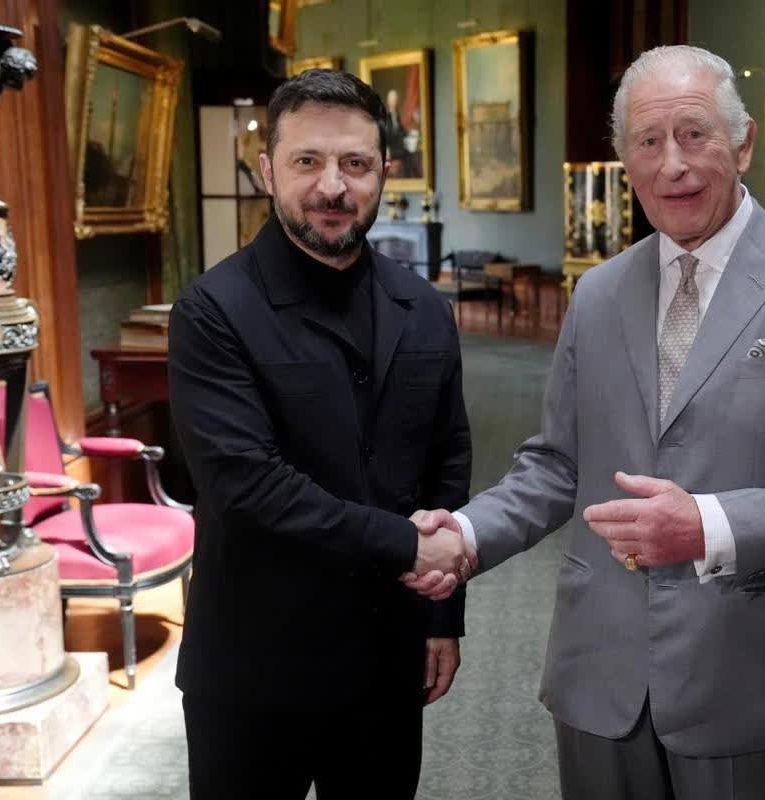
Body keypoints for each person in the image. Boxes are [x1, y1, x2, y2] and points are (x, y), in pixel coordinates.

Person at [407, 45, 765, 800]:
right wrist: (466, 536)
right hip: (600, 665)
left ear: (743, 143)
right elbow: (557, 465)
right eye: (648, 141)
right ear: (625, 161)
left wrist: (704, 526)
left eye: (694, 134)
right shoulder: (599, 293)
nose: (674, 165)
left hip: (747, 668)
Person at [168, 69, 474, 799]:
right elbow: (245, 486)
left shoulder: (423, 307)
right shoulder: (213, 310)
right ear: (268, 169)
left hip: (386, 659)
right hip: (253, 670)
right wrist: (407, 545)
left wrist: (442, 613)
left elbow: (447, 461)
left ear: (384, 172)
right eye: (307, 161)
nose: (332, 187)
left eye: (355, 163)